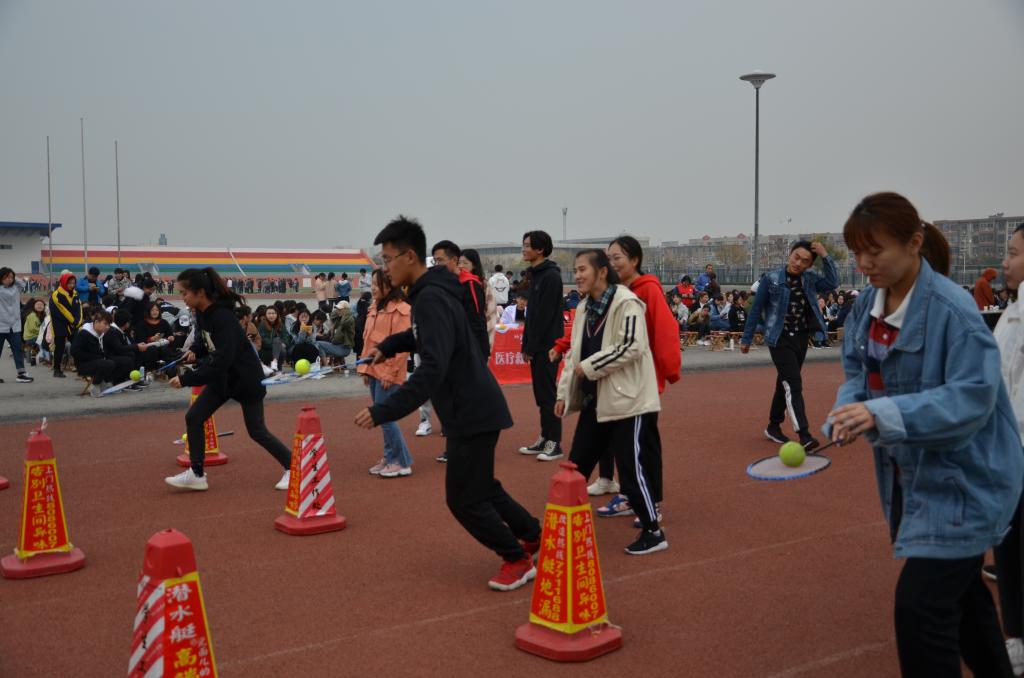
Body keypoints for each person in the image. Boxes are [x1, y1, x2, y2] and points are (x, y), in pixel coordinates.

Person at [827, 192, 1021, 677]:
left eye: (875, 250)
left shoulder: (953, 310)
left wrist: (882, 413)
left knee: (920, 610)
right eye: (857, 252)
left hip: (967, 483)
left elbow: (971, 398)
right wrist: (846, 409)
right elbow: (857, 371)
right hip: (914, 481)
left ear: (914, 243)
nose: (864, 263)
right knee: (967, 610)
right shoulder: (866, 307)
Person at [355, 216, 542, 591]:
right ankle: (533, 535)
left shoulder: (431, 297)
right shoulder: (431, 293)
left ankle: (516, 558)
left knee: (462, 500)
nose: (384, 268)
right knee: (483, 486)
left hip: (471, 410)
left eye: (388, 259)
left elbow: (432, 369)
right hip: (473, 407)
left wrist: (384, 411)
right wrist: (388, 346)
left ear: (409, 256)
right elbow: (424, 336)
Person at [555, 249, 666, 555]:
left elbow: (631, 346)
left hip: (628, 401)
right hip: (597, 400)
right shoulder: (583, 307)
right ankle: (565, 528)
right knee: (575, 467)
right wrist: (564, 393)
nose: (577, 275)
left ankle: (653, 531)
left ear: (601, 272)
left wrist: (590, 366)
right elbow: (574, 354)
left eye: (582, 269)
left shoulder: (627, 302)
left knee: (630, 469)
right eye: (575, 270)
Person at [165, 267, 294, 492]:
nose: (182, 297)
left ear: (200, 292)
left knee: (257, 431)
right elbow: (206, 342)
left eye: (184, 293)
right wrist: (194, 351)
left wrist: (187, 379)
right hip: (224, 380)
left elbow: (222, 361)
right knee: (194, 417)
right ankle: (197, 474)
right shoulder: (202, 313)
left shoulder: (223, 317)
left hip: (246, 379)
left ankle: (294, 468)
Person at [590, 236, 680, 516]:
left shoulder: (648, 289)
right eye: (609, 258)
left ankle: (651, 501)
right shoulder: (616, 291)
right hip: (620, 379)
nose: (612, 263)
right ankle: (631, 495)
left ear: (634, 260)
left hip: (643, 381)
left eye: (617, 257)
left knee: (644, 443)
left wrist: (667, 372)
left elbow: (665, 331)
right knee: (626, 444)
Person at [741, 239, 838, 449]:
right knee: (793, 384)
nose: (798, 263)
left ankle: (773, 426)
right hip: (779, 338)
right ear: (790, 254)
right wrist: (746, 338)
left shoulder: (810, 278)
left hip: (801, 337)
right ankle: (804, 435)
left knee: (784, 381)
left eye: (804, 261)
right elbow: (756, 309)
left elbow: (833, 283)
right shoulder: (771, 279)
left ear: (810, 265)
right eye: (796, 257)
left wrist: (825, 255)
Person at [992, 223, 1024, 676]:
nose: (1005, 261)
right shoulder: (1011, 313)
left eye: (1014, 252)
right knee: (1008, 547)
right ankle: (1015, 636)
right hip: (1007, 450)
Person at [359, 268, 414, 478]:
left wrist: (390, 374)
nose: (373, 288)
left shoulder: (402, 310)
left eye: (377, 284)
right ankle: (390, 457)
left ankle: (402, 461)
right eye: (372, 284)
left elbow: (402, 347)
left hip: (389, 372)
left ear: (390, 285)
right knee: (382, 416)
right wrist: (366, 369)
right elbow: (368, 340)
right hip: (374, 369)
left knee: (385, 417)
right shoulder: (375, 307)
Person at [519, 230, 564, 459]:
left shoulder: (551, 276)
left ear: (540, 249)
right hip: (537, 347)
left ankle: (554, 442)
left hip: (548, 348)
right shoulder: (535, 274)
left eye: (528, 245)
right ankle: (545, 437)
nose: (524, 249)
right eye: (524, 244)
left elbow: (545, 317)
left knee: (547, 396)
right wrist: (526, 345)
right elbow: (532, 317)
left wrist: (531, 346)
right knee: (541, 395)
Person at [70, 309, 131, 395]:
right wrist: (96, 357)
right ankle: (95, 386)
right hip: (84, 364)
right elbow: (74, 351)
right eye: (105, 324)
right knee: (108, 363)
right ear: (96, 322)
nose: (107, 327)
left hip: (99, 360)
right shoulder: (84, 333)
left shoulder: (101, 334)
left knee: (126, 361)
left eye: (109, 324)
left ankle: (108, 383)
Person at [460, 248, 497, 353]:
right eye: (459, 262)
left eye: (465, 263)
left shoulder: (480, 284)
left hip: (478, 334)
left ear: (474, 265)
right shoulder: (456, 282)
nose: (461, 266)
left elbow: (490, 311)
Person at [0, 267, 33, 383]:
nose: (9, 279)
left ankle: (21, 373)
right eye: (6, 277)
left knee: (18, 349)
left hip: (14, 325)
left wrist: (13, 275)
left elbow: (23, 283)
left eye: (11, 277)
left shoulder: (16, 288)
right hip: (1, 325)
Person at [49, 272, 82, 378]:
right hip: (60, 325)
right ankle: (57, 369)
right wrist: (72, 321)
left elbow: (79, 309)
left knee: (77, 346)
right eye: (69, 283)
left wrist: (77, 322)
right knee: (59, 347)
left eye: (73, 283)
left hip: (73, 325)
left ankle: (80, 367)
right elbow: (61, 311)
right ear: (63, 282)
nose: (71, 285)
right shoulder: (56, 295)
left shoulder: (75, 294)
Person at [316, 300, 354, 367]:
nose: (338, 311)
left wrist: (346, 313)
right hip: (340, 346)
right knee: (318, 344)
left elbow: (337, 339)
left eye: (340, 309)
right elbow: (332, 316)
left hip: (343, 348)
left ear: (346, 310)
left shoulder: (348, 319)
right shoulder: (340, 318)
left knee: (319, 344)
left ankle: (326, 365)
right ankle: (327, 364)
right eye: (337, 309)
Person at [257, 306, 292, 371]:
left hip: (279, 350)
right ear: (266, 315)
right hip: (266, 350)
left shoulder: (281, 324)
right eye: (269, 313)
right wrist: (277, 344)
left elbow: (286, 337)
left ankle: (275, 365)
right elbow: (264, 340)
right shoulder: (262, 325)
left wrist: (284, 344)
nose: (271, 315)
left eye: (273, 313)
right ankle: (276, 365)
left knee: (281, 349)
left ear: (277, 314)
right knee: (277, 341)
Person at [22, 298, 47, 366]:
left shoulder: (38, 315)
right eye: (37, 305)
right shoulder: (32, 315)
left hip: (30, 336)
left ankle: (31, 358)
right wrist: (43, 331)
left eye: (41, 305)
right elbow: (33, 328)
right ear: (34, 306)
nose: (39, 306)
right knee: (44, 340)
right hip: (31, 336)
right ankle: (44, 357)